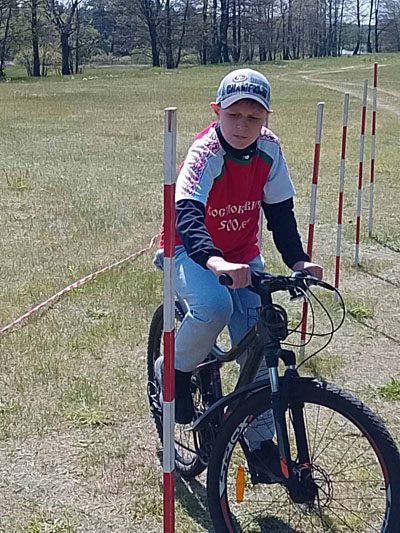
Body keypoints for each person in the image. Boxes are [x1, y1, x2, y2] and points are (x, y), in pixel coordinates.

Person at [154, 68, 322, 482]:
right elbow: (187, 212)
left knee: (259, 337)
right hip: (189, 250)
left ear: (266, 118)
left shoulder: (270, 149)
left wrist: (298, 260)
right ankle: (172, 370)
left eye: (254, 117)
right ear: (217, 111)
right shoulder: (206, 151)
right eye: (234, 115)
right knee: (215, 306)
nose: (243, 125)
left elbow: (280, 212)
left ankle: (260, 442)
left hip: (242, 255)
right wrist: (213, 261)